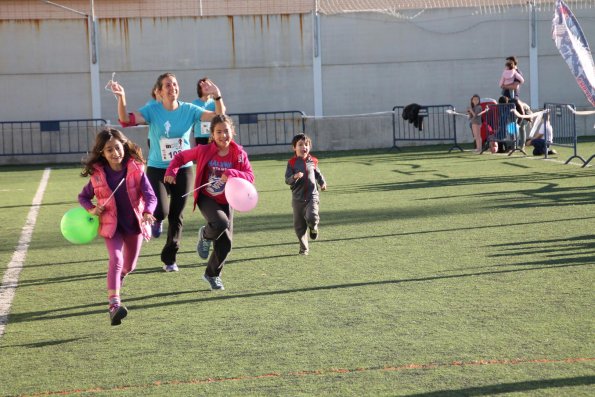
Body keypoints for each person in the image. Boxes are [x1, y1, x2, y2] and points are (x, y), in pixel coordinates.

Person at [109, 72, 224, 273]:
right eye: (167, 85)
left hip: (183, 168)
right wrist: (121, 98)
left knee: (177, 215)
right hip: (157, 168)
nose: (172, 88)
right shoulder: (153, 110)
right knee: (161, 210)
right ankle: (157, 220)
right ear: (160, 91)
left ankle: (170, 258)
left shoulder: (188, 109)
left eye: (175, 84)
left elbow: (218, 117)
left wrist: (217, 96)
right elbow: (125, 120)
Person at [164, 115, 254, 291]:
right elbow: (180, 157)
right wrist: (171, 171)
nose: (223, 135)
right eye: (218, 132)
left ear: (232, 132)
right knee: (220, 223)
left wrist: (233, 172)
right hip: (207, 198)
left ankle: (212, 274)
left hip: (227, 200)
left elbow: (250, 176)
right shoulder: (204, 150)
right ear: (212, 134)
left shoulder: (240, 155)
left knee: (226, 245)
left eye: (226, 131)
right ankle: (205, 236)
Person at [78, 128, 157, 326]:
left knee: (128, 266)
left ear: (124, 146)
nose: (115, 153)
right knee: (116, 258)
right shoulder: (97, 175)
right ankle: (114, 305)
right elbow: (83, 197)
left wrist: (148, 211)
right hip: (111, 226)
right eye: (109, 150)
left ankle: (118, 278)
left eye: (117, 148)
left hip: (133, 225)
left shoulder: (136, 169)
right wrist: (92, 209)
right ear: (102, 153)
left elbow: (150, 195)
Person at [285, 133, 327, 256]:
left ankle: (313, 227)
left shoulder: (313, 160)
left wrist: (322, 183)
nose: (304, 147)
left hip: (312, 196)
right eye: (300, 144)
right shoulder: (291, 163)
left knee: (312, 216)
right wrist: (295, 176)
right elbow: (287, 180)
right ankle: (304, 249)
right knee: (299, 226)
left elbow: (318, 174)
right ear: (294, 148)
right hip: (297, 199)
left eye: (307, 144)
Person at [192, 77, 226, 146]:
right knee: (202, 156)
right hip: (200, 136)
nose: (207, 87)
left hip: (214, 136)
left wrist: (216, 94)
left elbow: (222, 114)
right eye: (204, 86)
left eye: (208, 85)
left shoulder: (215, 102)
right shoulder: (194, 103)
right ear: (200, 89)